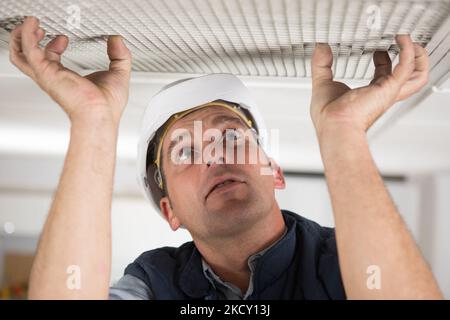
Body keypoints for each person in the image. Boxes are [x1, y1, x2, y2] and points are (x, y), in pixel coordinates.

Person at [9, 16, 442, 300]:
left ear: (274, 171)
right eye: (185, 151)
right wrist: (93, 120)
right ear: (169, 210)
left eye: (233, 136)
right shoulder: (153, 283)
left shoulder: (346, 258)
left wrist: (343, 131)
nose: (216, 154)